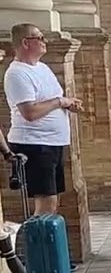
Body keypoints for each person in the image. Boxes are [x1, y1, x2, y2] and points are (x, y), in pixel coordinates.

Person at [3, 23, 81, 216]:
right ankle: (39, 244)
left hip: (53, 143)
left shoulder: (43, 68)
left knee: (53, 201)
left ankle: (49, 243)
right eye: (39, 38)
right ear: (25, 42)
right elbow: (29, 112)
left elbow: (52, 100)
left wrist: (68, 104)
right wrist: (60, 102)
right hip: (35, 144)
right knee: (46, 202)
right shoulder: (17, 73)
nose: (44, 42)